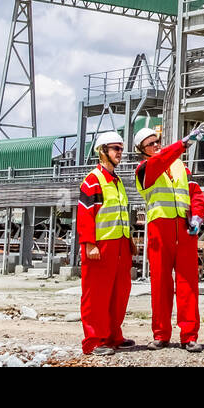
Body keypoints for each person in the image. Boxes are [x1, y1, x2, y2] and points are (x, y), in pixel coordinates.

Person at [133, 126, 204, 351]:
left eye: (157, 141)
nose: (156, 145)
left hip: (184, 229)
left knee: (188, 284)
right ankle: (161, 334)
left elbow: (195, 192)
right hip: (160, 229)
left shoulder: (180, 166)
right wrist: (182, 144)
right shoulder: (145, 169)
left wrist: (197, 216)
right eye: (151, 143)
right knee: (161, 284)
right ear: (141, 150)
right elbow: (160, 162)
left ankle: (189, 335)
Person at [77, 131, 137, 356]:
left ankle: (113, 336)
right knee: (96, 294)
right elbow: (85, 215)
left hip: (120, 245)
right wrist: (89, 244)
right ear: (103, 152)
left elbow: (121, 213)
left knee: (119, 293)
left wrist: (129, 240)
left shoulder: (117, 181)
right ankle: (94, 341)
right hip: (100, 246)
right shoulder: (93, 180)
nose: (120, 153)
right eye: (116, 149)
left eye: (121, 149)